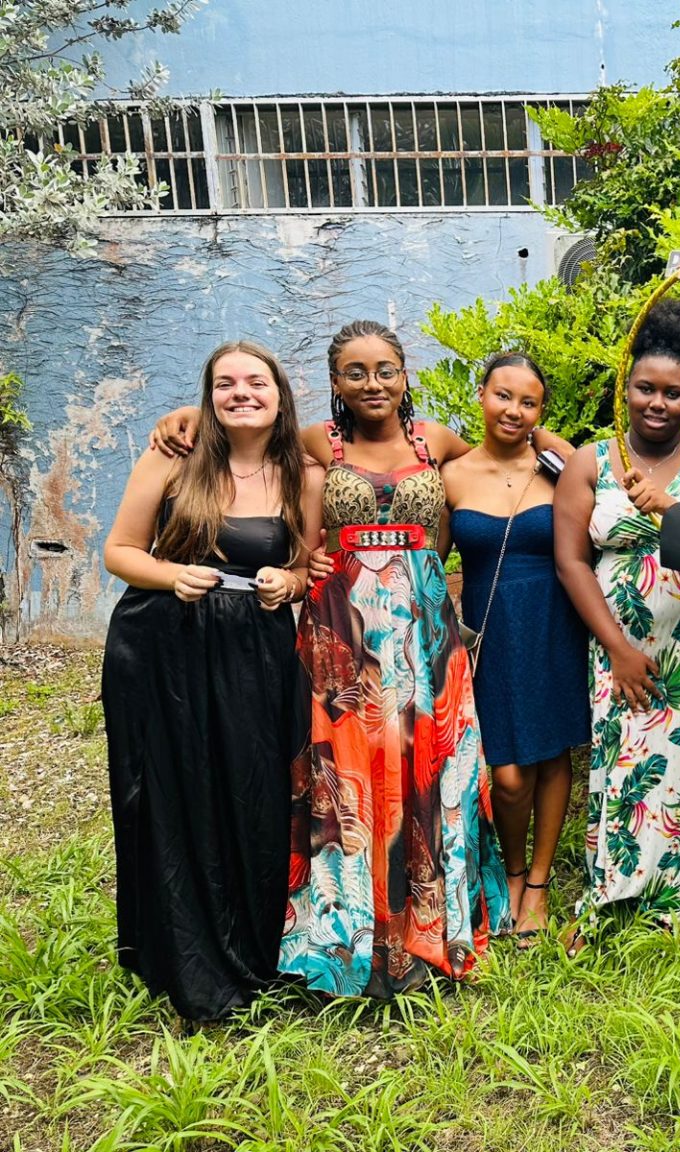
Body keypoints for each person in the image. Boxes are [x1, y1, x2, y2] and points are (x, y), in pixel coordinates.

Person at [280, 320, 512, 996]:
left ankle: (432, 922)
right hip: (342, 628)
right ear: (335, 382)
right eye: (356, 372)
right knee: (347, 771)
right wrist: (179, 422)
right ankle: (351, 932)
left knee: (432, 764)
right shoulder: (316, 442)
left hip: (425, 628)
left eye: (385, 369)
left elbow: (511, 455)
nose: (373, 383)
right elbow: (238, 440)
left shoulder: (433, 440)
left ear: (405, 375)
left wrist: (563, 449)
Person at [104, 341, 322, 1021]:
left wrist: (289, 581)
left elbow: (308, 565)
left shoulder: (302, 473)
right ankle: (184, 953)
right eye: (225, 383)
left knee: (256, 792)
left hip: (256, 655)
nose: (241, 393)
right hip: (164, 648)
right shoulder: (173, 457)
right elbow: (119, 551)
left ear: (280, 394)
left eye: (255, 381)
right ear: (208, 396)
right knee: (176, 794)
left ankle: (257, 947)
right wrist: (173, 575)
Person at [553, 299, 680, 941]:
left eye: (673, 393)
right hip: (620, 643)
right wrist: (616, 648)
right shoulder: (591, 461)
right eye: (645, 388)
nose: (657, 403)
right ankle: (616, 892)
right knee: (625, 764)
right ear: (626, 388)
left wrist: (671, 508)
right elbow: (572, 562)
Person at [441, 351, 588, 948]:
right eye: (503, 395)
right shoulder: (451, 473)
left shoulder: (559, 468)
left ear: (541, 412)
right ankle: (511, 869)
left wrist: (547, 439)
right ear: (481, 395)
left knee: (552, 755)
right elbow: (429, 561)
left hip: (554, 620)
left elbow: (594, 504)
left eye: (529, 402)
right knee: (506, 773)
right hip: (490, 629)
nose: (514, 410)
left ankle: (539, 885)